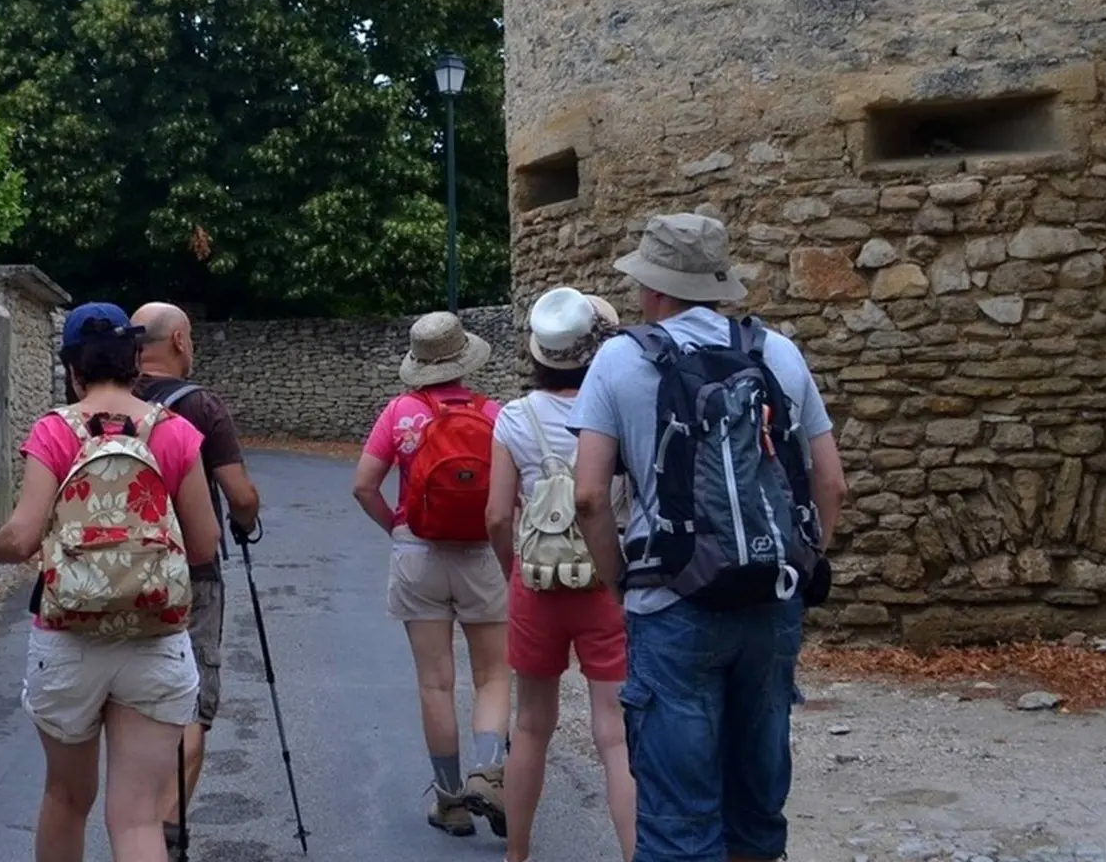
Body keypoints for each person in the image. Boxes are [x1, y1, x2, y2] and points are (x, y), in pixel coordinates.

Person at [569, 213, 847, 862]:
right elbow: (831, 483)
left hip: (671, 601)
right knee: (756, 810)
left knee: (678, 822)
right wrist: (804, 564)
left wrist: (620, 584)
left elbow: (588, 497)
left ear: (653, 289)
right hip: (771, 599)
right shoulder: (778, 352)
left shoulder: (620, 359)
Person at [0, 302, 221, 862]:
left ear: (73, 370)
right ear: (136, 361)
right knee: (138, 818)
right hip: (154, 636)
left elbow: (22, 538)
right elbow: (204, 545)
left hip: (68, 637)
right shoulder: (175, 432)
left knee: (66, 796)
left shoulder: (55, 430)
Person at [484, 287, 634, 862]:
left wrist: (514, 570)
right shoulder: (615, 410)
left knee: (531, 726)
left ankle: (517, 854)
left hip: (537, 584)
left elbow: (498, 516)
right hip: (606, 581)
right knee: (615, 734)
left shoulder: (513, 419)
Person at [350, 310, 510, 838]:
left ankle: (450, 802)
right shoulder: (494, 414)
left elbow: (364, 486)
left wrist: (397, 527)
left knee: (436, 683)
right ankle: (488, 773)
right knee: (492, 676)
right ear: (465, 357)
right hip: (482, 554)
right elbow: (514, 494)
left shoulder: (400, 412)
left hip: (416, 553)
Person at [129, 301, 263, 852]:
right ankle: (168, 829)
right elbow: (241, 495)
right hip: (192, 574)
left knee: (135, 703)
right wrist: (245, 522)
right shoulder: (200, 407)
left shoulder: (107, 400)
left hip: (116, 578)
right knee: (190, 702)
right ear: (180, 340)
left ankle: (135, 827)